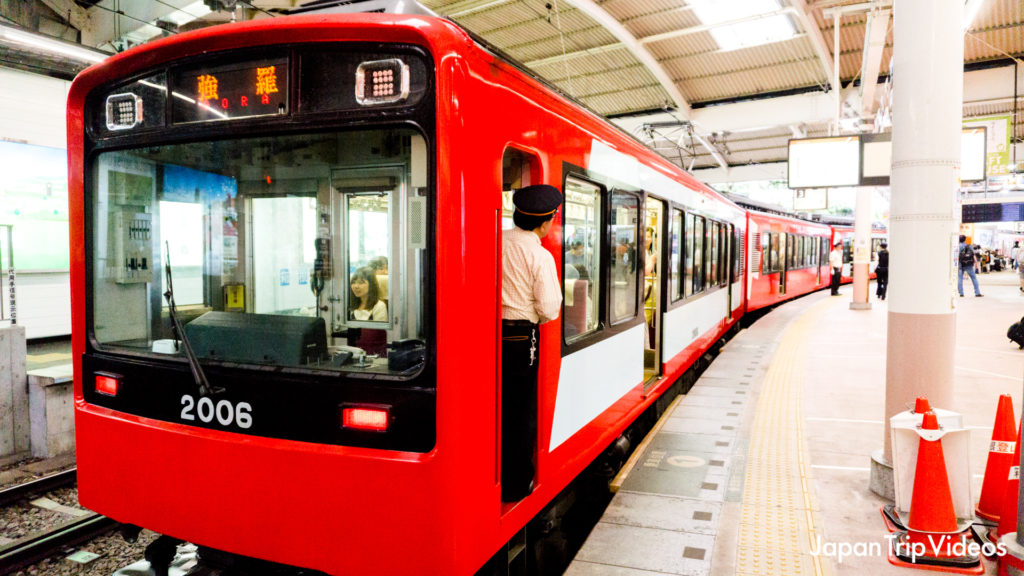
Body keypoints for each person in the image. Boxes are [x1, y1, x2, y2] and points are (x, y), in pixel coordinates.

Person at [501, 184, 562, 502]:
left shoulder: (495, 242)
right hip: (521, 338)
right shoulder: (540, 255)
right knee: (520, 410)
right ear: (545, 222)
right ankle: (515, 483)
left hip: (487, 335)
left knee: (495, 406)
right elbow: (549, 309)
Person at [348, 267, 388, 355]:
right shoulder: (351, 307)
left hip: (374, 357)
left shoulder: (379, 306)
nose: (356, 286)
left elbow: (377, 338)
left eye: (361, 282)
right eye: (353, 282)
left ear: (371, 285)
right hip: (353, 355)